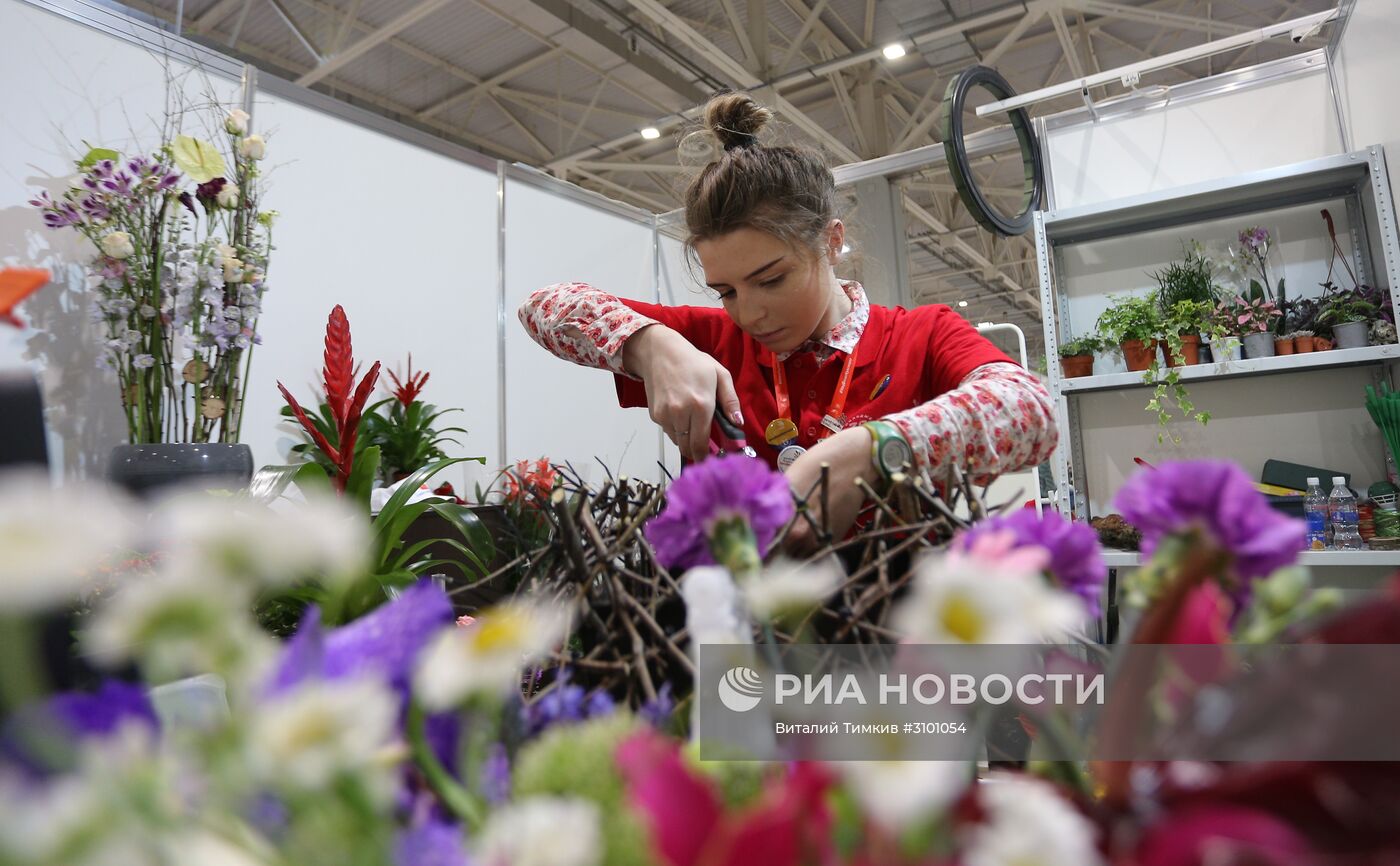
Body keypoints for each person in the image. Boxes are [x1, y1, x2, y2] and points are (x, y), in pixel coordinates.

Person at [519, 92, 1057, 551]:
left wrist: (875, 450)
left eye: (772, 280)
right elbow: (543, 306)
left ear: (832, 241)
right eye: (726, 291)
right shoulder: (711, 340)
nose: (749, 314)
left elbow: (1031, 412)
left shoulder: (921, 335)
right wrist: (649, 345)